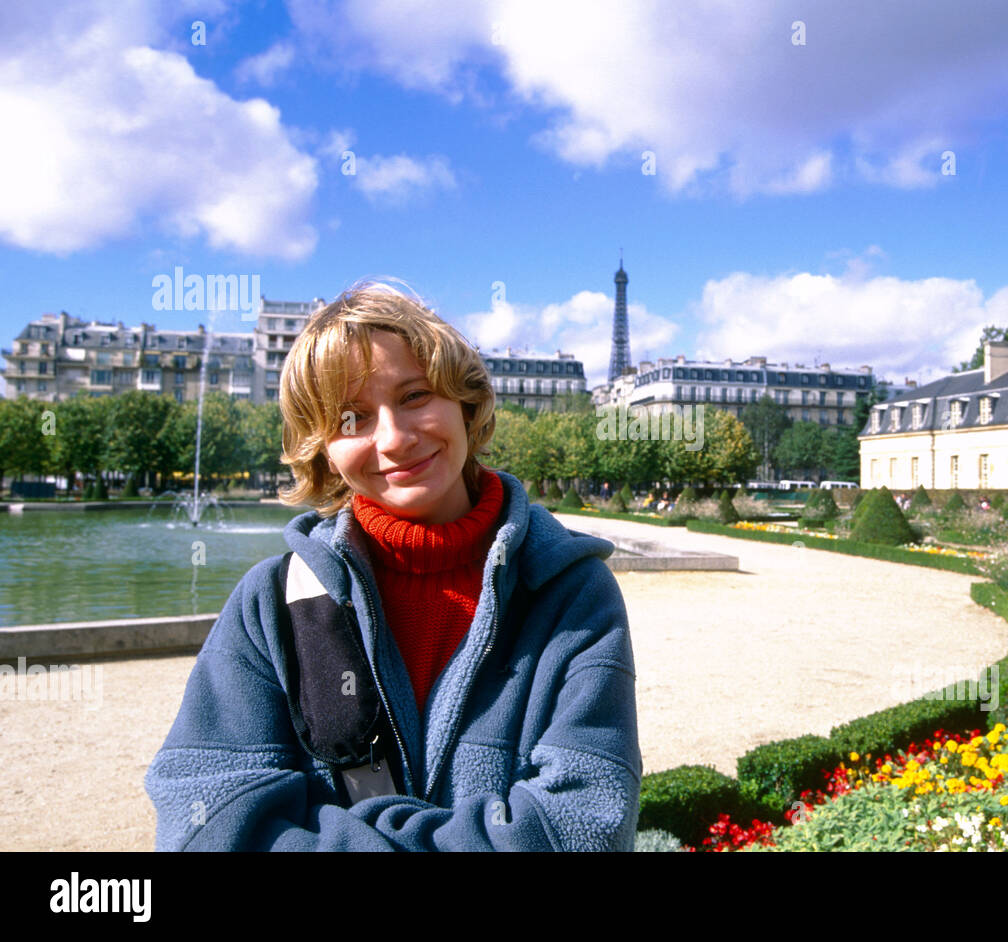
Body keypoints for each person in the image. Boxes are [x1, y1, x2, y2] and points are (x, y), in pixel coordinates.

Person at [145, 282, 641, 851]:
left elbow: (584, 831)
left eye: (414, 396)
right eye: (352, 418)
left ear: (464, 398)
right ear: (321, 447)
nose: (395, 439)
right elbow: (205, 828)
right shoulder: (268, 603)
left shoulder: (573, 590)